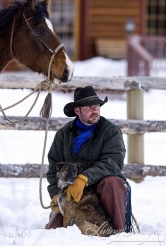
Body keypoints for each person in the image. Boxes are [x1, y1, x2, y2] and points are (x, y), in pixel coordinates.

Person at [45, 86, 132, 232]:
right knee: (53, 232)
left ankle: (119, 234)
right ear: (77, 111)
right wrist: (55, 195)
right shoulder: (63, 134)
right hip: (73, 194)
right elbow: (53, 169)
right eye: (88, 107)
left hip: (103, 188)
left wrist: (85, 178)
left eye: (97, 106)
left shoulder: (110, 131)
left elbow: (113, 162)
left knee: (113, 182)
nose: (95, 110)